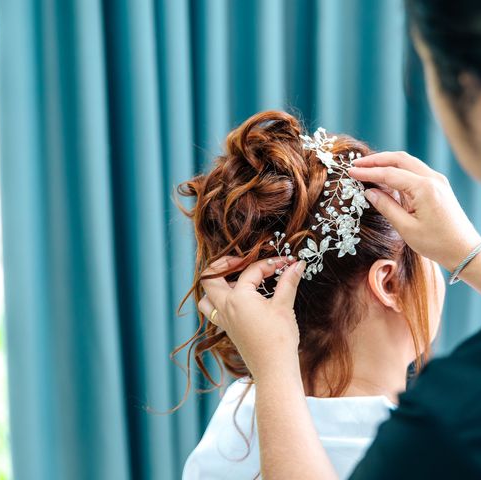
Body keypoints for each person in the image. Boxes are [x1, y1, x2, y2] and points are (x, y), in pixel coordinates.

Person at [198, 0, 481, 478]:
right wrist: (469, 255)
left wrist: (274, 370)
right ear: (389, 284)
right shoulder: (460, 428)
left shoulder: (233, 429)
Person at [178, 111, 450, 479]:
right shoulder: (430, 454)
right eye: (430, 253)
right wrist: (472, 255)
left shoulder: (236, 420)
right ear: (388, 285)